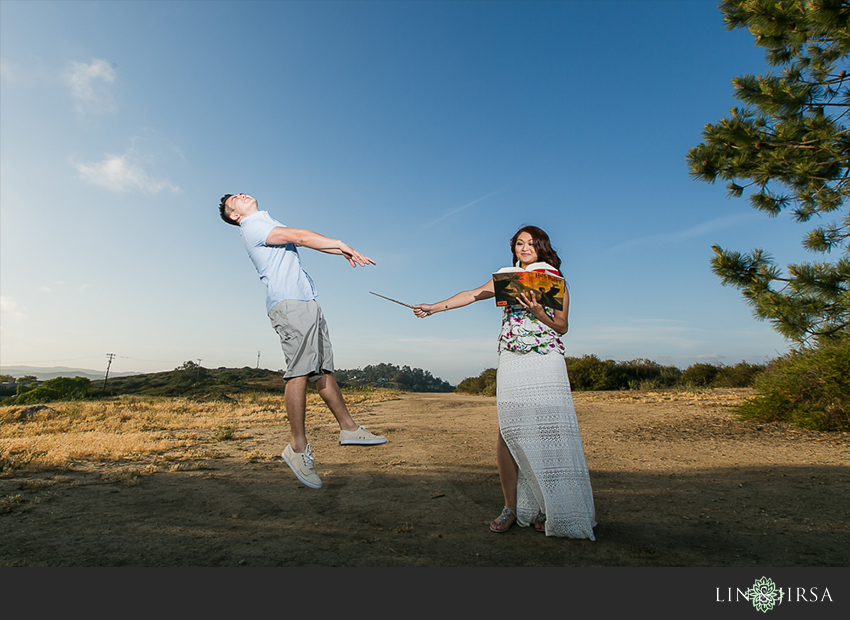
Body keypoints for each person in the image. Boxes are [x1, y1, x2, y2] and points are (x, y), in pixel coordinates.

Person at [413, 225, 596, 539]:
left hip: (545, 359)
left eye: (531, 243)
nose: (524, 248)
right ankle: (511, 507)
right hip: (511, 358)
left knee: (547, 431)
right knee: (507, 431)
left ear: (542, 248)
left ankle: (548, 508)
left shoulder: (556, 281)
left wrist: (539, 311)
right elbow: (472, 294)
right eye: (519, 243)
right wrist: (434, 308)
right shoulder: (507, 278)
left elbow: (562, 326)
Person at [219, 193, 386, 490]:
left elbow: (301, 239)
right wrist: (340, 244)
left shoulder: (266, 222)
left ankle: (349, 429)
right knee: (299, 371)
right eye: (235, 199)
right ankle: (297, 449)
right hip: (289, 304)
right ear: (234, 215)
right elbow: (300, 236)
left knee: (323, 372)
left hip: (306, 302)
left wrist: (339, 250)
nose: (242, 195)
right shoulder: (252, 226)